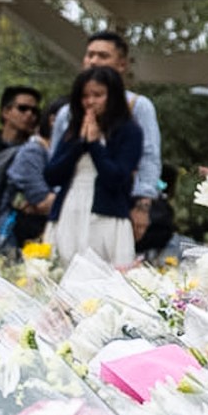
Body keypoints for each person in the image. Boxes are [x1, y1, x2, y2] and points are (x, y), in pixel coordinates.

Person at [42, 31, 161, 210]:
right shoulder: (67, 113)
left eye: (103, 56)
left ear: (122, 64)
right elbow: (54, 161)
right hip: (69, 204)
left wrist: (143, 203)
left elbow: (149, 157)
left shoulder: (137, 107)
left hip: (118, 205)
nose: (94, 61)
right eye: (90, 55)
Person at [43, 66, 146, 267]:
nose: (90, 102)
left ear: (112, 96)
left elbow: (116, 178)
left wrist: (95, 144)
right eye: (85, 96)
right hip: (69, 209)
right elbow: (51, 175)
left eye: (97, 95)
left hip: (106, 214)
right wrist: (80, 143)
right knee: (61, 268)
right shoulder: (73, 130)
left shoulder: (129, 131)